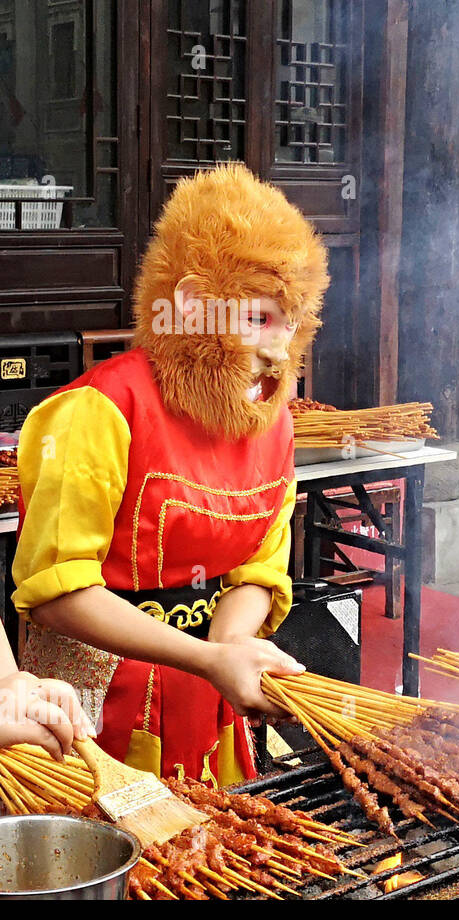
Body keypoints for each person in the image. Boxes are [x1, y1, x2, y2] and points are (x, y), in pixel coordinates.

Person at [10, 162, 327, 786]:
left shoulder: (273, 420)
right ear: (189, 307)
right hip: (87, 713)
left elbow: (259, 568)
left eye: (287, 322)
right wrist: (209, 658)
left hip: (207, 704)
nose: (277, 350)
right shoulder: (99, 410)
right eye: (257, 320)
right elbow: (56, 591)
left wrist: (230, 650)